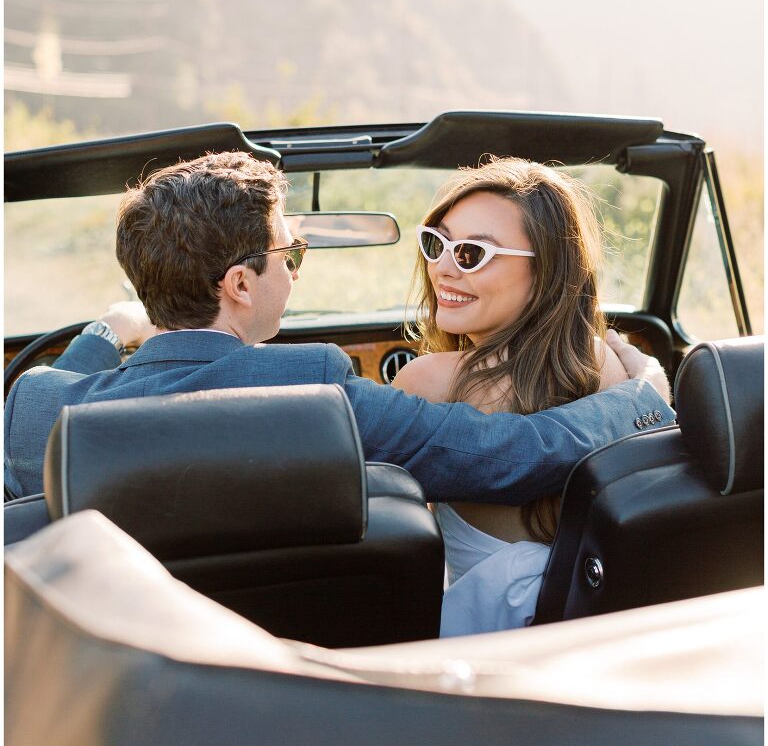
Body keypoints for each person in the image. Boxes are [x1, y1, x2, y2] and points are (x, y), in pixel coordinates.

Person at [4, 152, 672, 521]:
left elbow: (56, 383)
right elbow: (518, 451)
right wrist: (643, 392)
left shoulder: (36, 410)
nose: (295, 271)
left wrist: (111, 326)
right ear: (239, 284)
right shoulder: (318, 389)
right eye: (290, 255)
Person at [392, 156, 643, 636]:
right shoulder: (604, 363)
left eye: (471, 254)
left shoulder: (430, 381)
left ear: (544, 272)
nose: (442, 268)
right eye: (435, 243)